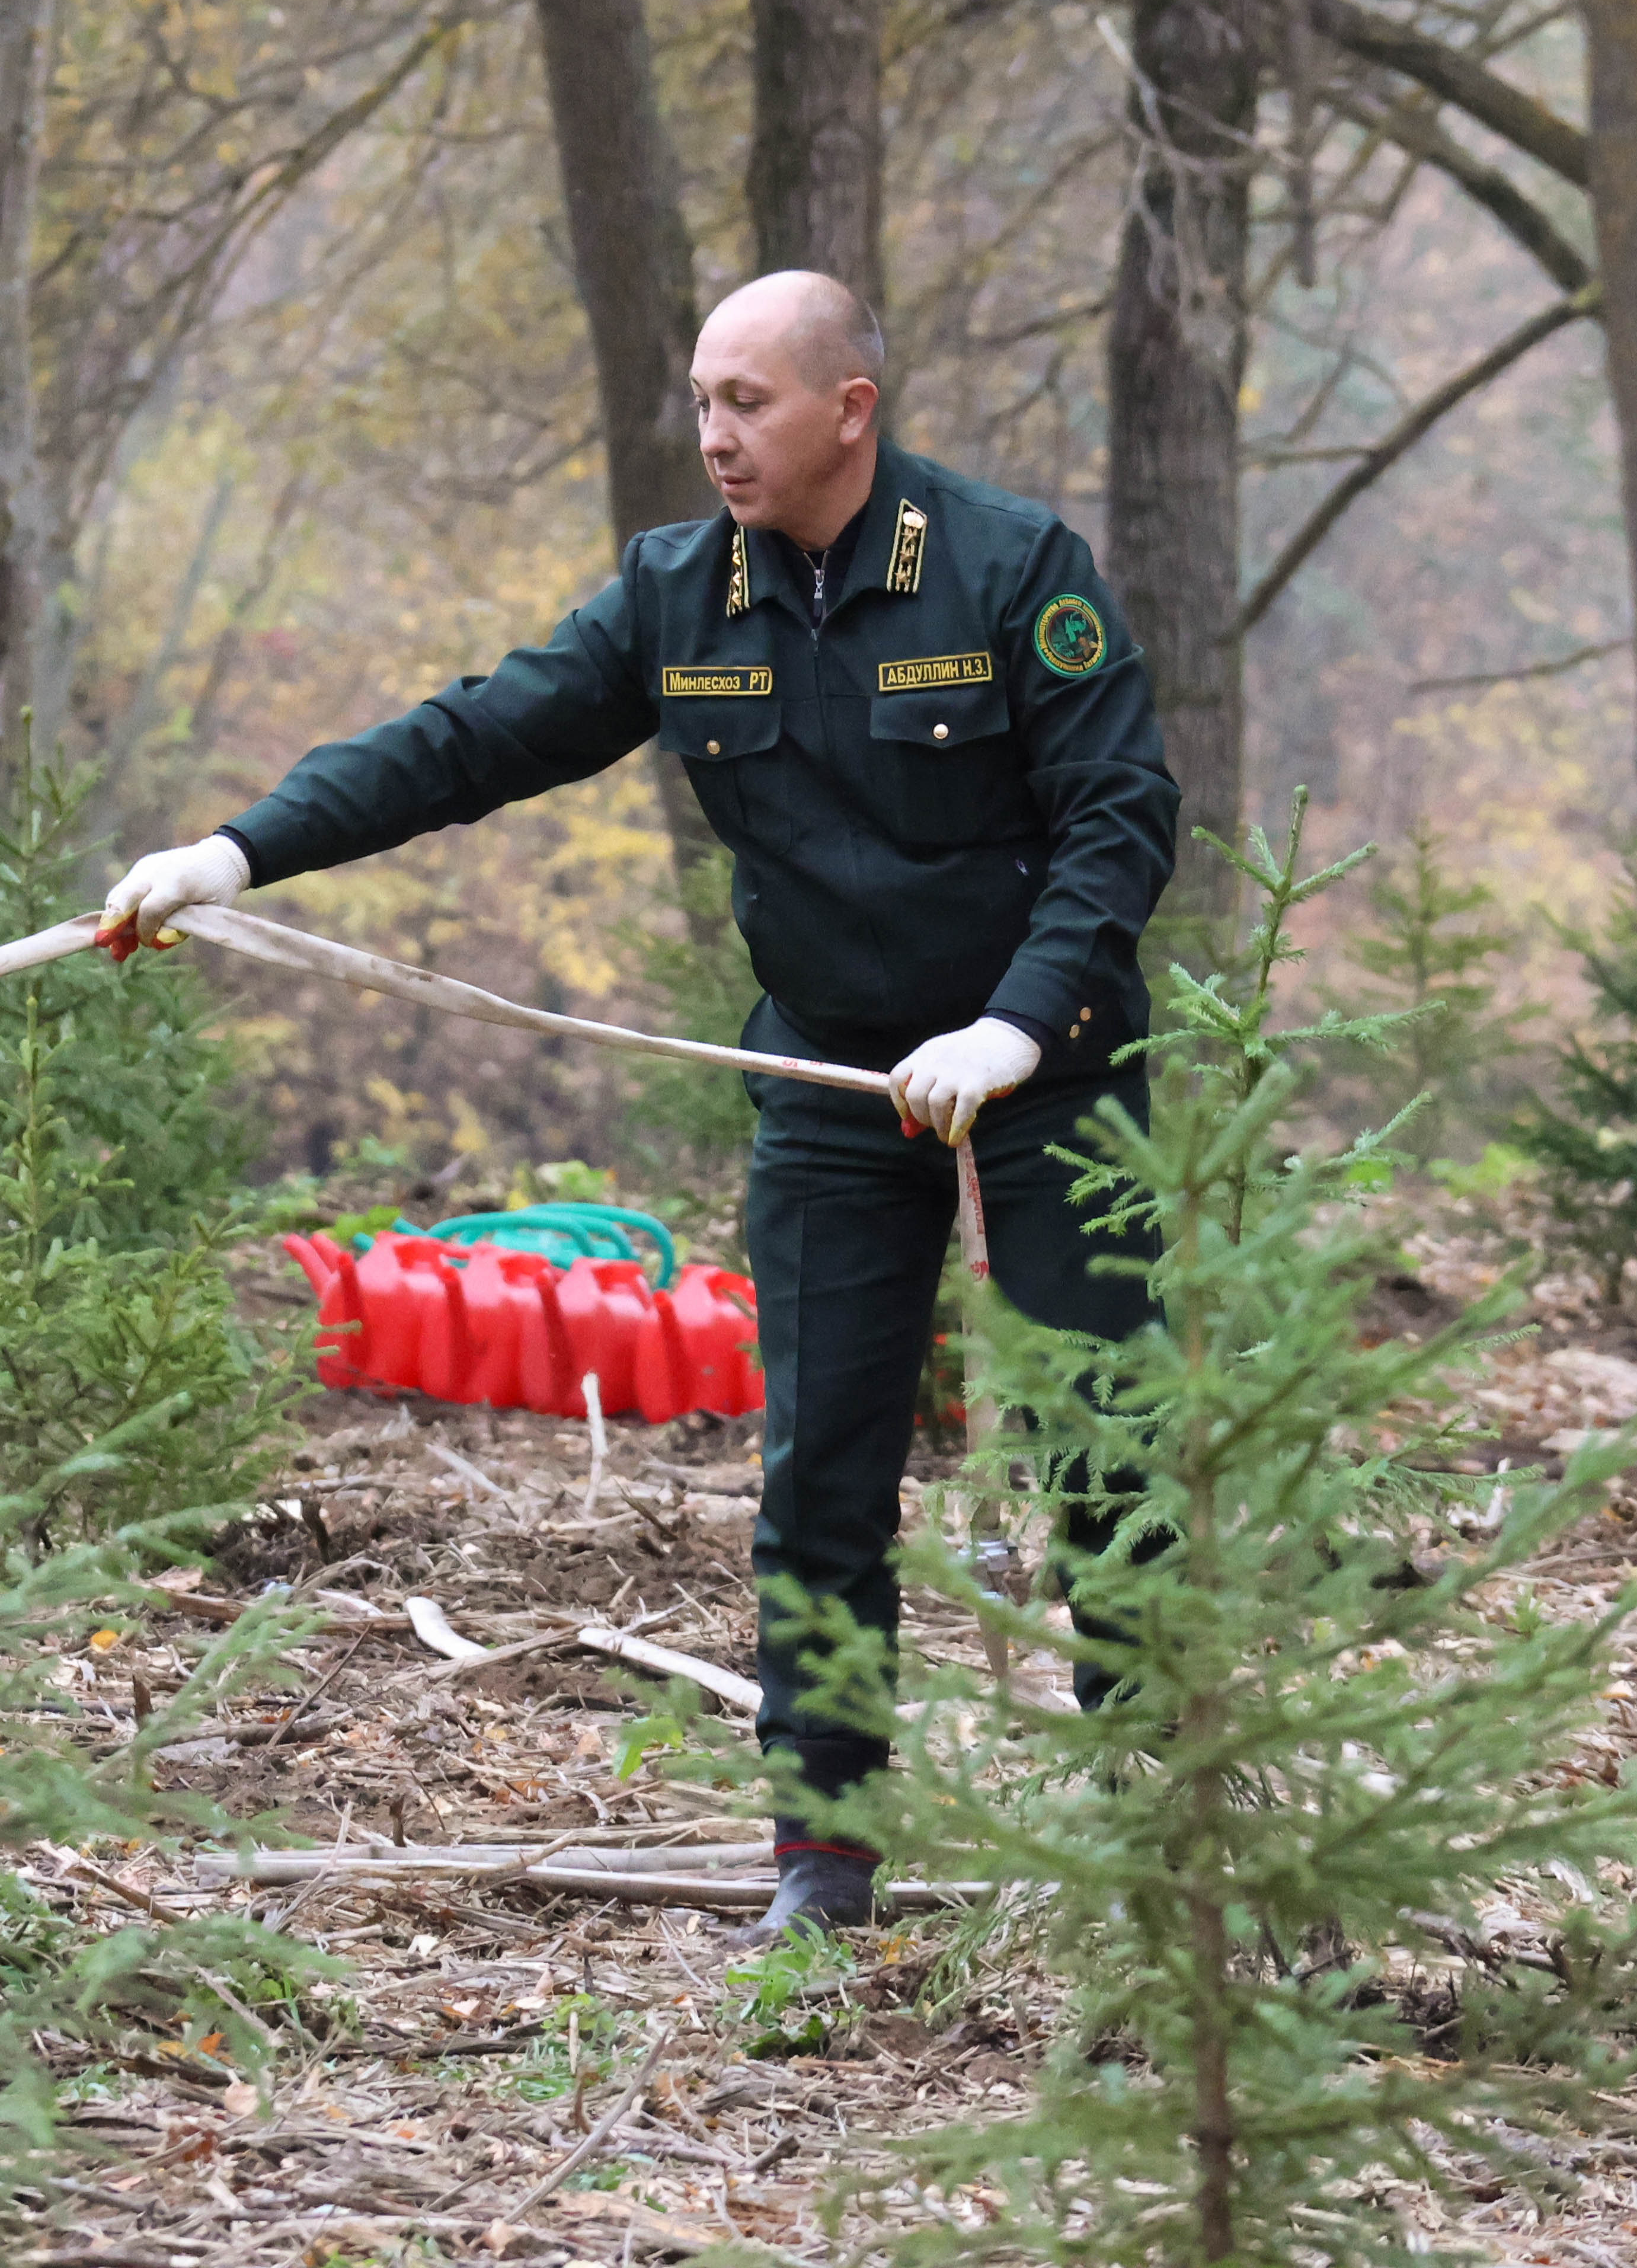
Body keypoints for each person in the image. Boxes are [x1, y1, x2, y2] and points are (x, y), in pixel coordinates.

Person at [99, 271, 1181, 1940]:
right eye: (698, 399)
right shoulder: (681, 595)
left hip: (1050, 1066)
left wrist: (1020, 1028)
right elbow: (472, 739)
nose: (712, 435)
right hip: (827, 1074)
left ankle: (1161, 1853)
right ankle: (823, 1866)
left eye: (748, 401)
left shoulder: (1005, 571)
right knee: (820, 1470)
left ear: (851, 411)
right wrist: (236, 852)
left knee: (1107, 1457)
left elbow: (1120, 818)